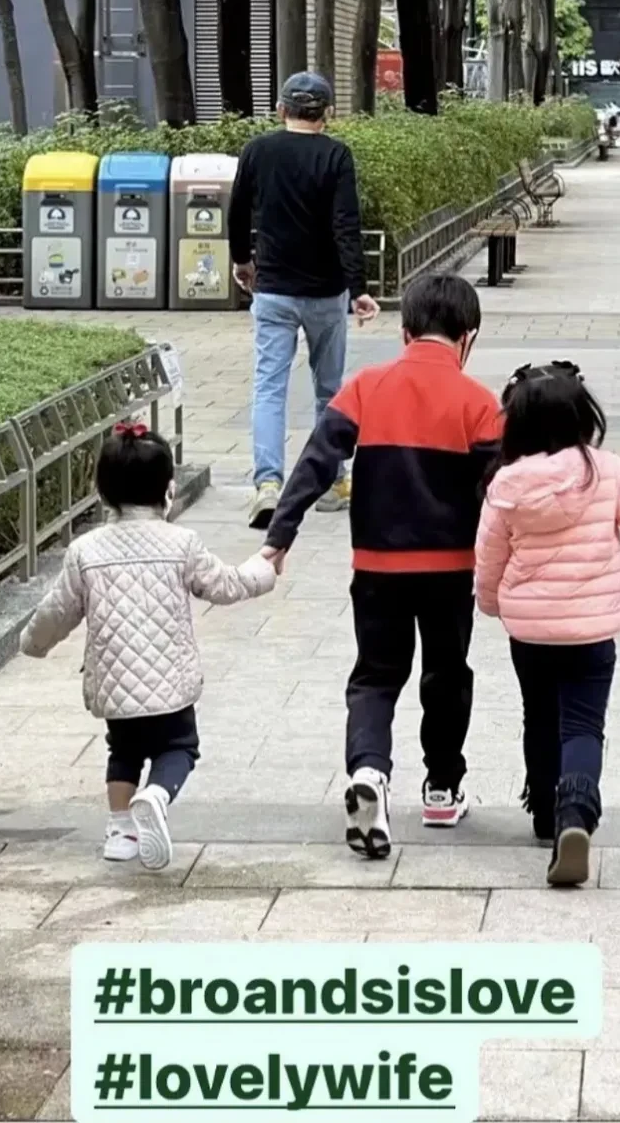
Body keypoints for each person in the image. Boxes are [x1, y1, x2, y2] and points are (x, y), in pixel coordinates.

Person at [263, 274, 502, 858]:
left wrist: (280, 534)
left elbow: (318, 460)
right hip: (450, 570)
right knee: (447, 674)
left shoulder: (366, 387)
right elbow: (503, 489)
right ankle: (442, 788)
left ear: (404, 330)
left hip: (376, 566)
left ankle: (369, 772)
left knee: (374, 676)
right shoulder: (480, 403)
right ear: (467, 339)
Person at [475, 363, 620, 888]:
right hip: (590, 632)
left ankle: (542, 815)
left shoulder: (504, 484)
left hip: (530, 631)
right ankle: (574, 816)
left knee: (538, 718)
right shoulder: (605, 471)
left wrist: (490, 602)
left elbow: (488, 554)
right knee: (582, 725)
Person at [19, 425, 276, 870]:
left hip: (116, 684)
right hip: (169, 682)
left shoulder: (86, 550)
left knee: (122, 751)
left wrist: (32, 644)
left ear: (102, 492)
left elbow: (57, 610)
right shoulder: (182, 543)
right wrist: (264, 569)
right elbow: (225, 585)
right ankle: (156, 796)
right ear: (167, 490)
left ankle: (121, 830)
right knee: (179, 748)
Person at [229, 72, 380, 531]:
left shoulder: (258, 151)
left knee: (269, 387)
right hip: (325, 293)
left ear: (281, 110)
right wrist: (358, 289)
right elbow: (345, 225)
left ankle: (268, 484)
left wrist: (242, 261)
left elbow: (237, 210)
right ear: (327, 114)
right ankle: (332, 482)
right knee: (329, 391)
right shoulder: (336, 155)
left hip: (272, 289)